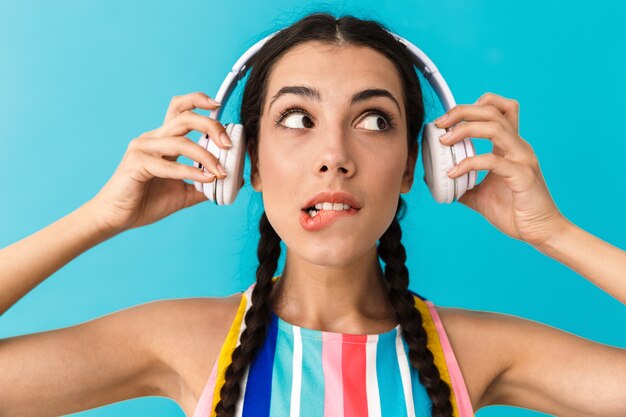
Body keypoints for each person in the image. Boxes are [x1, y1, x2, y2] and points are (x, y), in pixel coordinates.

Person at [0, 11, 624, 417]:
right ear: (248, 161)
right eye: (297, 119)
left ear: (417, 164)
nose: (334, 157)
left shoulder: (478, 350)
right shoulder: (184, 342)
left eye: (374, 120)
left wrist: (553, 233)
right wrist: (100, 217)